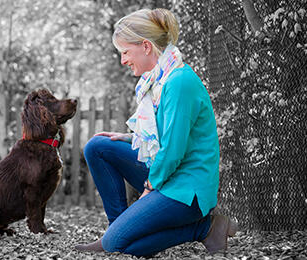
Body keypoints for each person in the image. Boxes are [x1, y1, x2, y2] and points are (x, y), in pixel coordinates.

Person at [74, 8, 237, 257]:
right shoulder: (158, 80)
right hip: (170, 172)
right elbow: (163, 134)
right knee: (98, 147)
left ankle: (205, 228)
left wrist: (149, 187)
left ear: (146, 47)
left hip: (186, 187)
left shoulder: (179, 82)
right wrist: (129, 137)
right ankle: (118, 228)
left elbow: (172, 151)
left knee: (117, 245)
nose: (123, 60)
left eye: (126, 52)